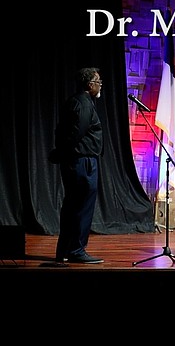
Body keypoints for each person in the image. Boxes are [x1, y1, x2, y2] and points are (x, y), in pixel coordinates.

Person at [52, 67, 105, 264]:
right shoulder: (83, 104)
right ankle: (76, 249)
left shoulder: (77, 101)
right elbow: (76, 132)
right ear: (90, 85)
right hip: (82, 162)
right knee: (81, 207)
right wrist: (63, 153)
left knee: (73, 205)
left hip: (77, 160)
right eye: (98, 82)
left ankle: (65, 250)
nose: (100, 85)